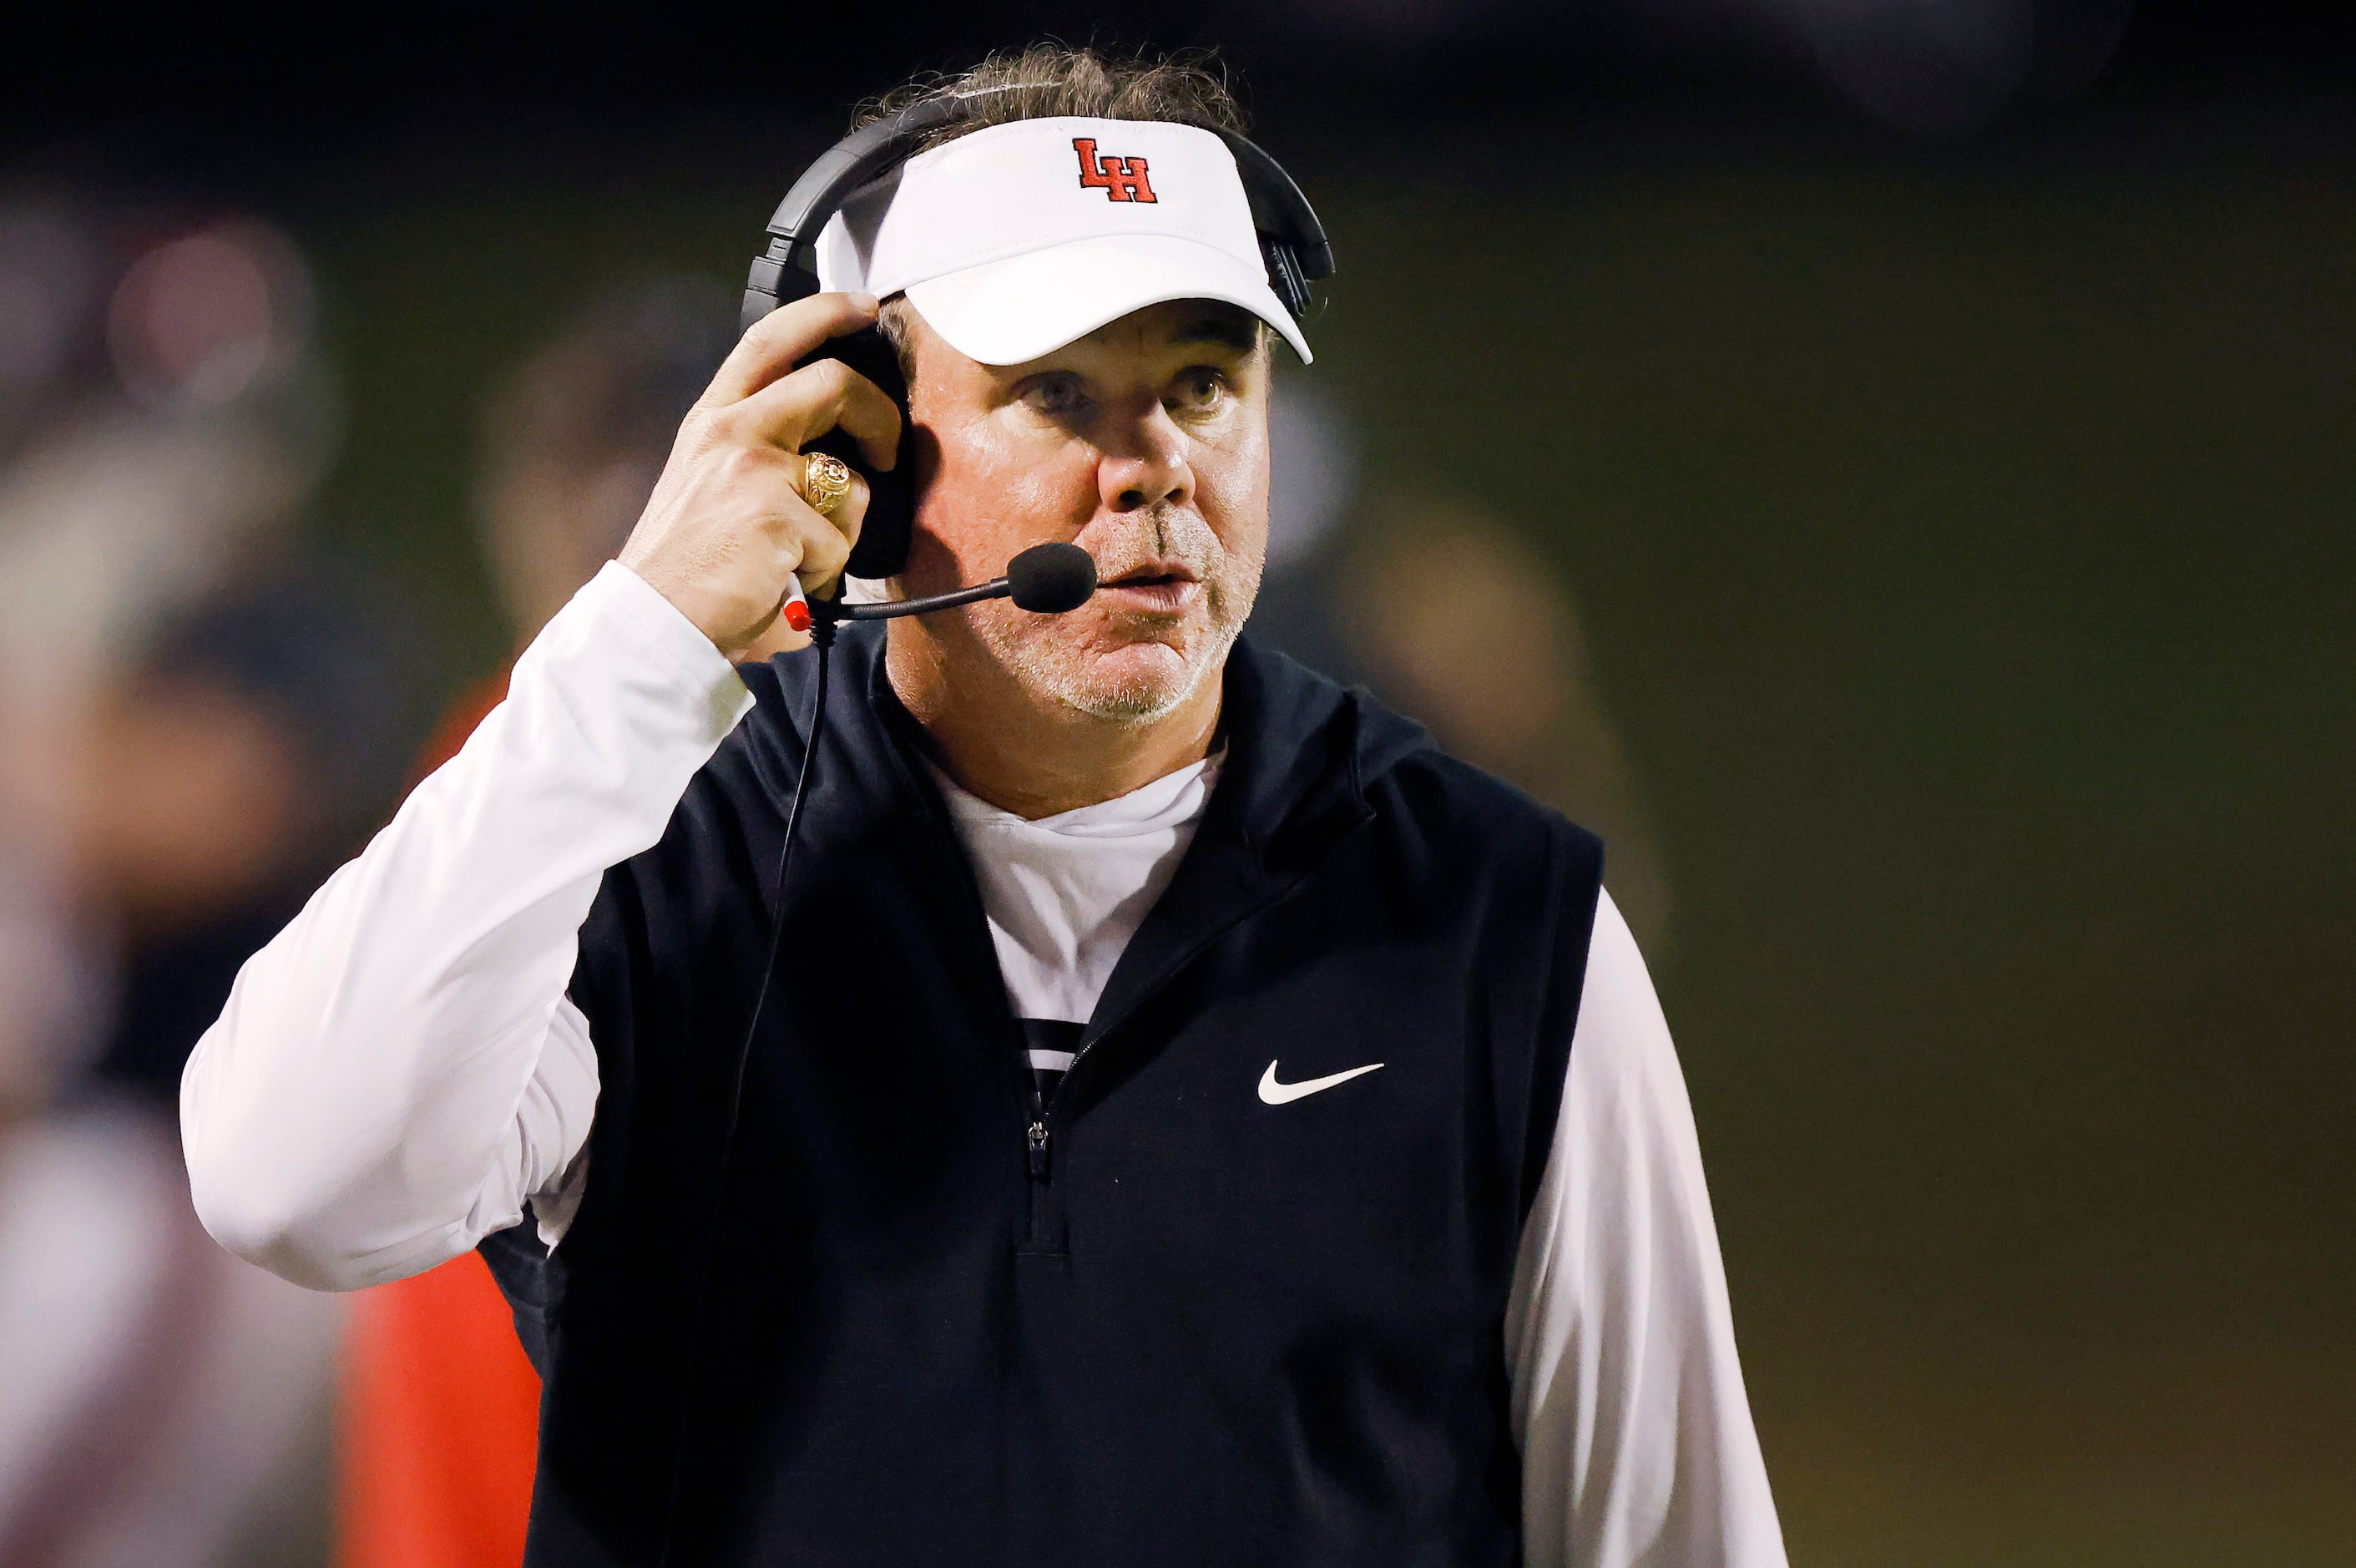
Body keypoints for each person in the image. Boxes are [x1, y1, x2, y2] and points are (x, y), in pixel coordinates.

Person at [184, 45, 1786, 1567]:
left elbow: (1671, 1536)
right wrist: (649, 625)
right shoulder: (647, 855)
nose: (1151, 463)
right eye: (1058, 393)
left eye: (1205, 381)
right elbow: (292, 1180)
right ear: (860, 447)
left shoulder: (1499, 919)